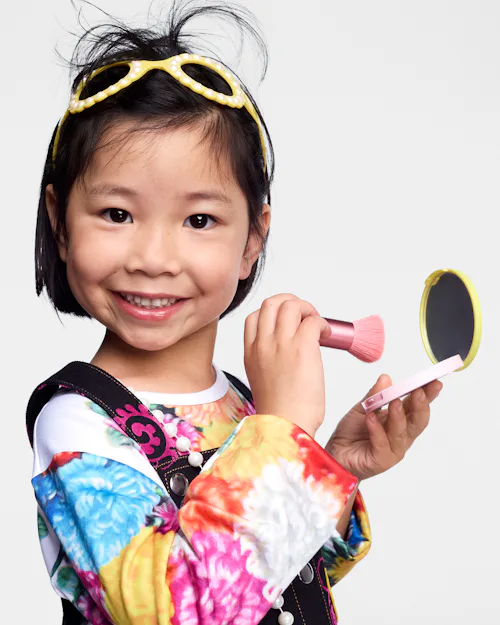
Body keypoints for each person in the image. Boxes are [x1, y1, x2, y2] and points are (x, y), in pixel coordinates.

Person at [29, 1, 442, 624]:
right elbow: (175, 610)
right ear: (61, 223)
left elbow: (276, 584)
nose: (154, 258)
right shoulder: (78, 422)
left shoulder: (245, 405)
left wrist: (327, 464)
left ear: (253, 239)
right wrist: (283, 428)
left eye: (199, 220)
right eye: (117, 214)